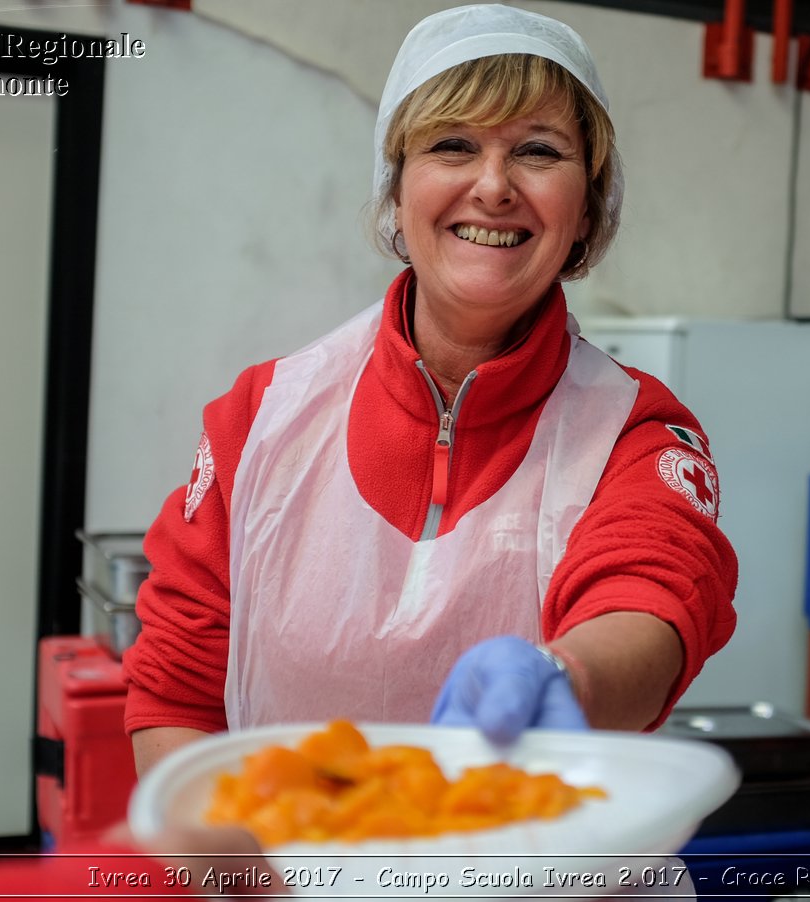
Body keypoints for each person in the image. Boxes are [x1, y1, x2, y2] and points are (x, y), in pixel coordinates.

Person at [121, 4, 738, 777]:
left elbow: (653, 598)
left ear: (587, 211)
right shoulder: (261, 419)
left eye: (539, 152)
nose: (494, 186)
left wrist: (567, 679)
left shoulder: (636, 432)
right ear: (396, 192)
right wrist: (219, 859)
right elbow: (176, 693)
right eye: (453, 145)